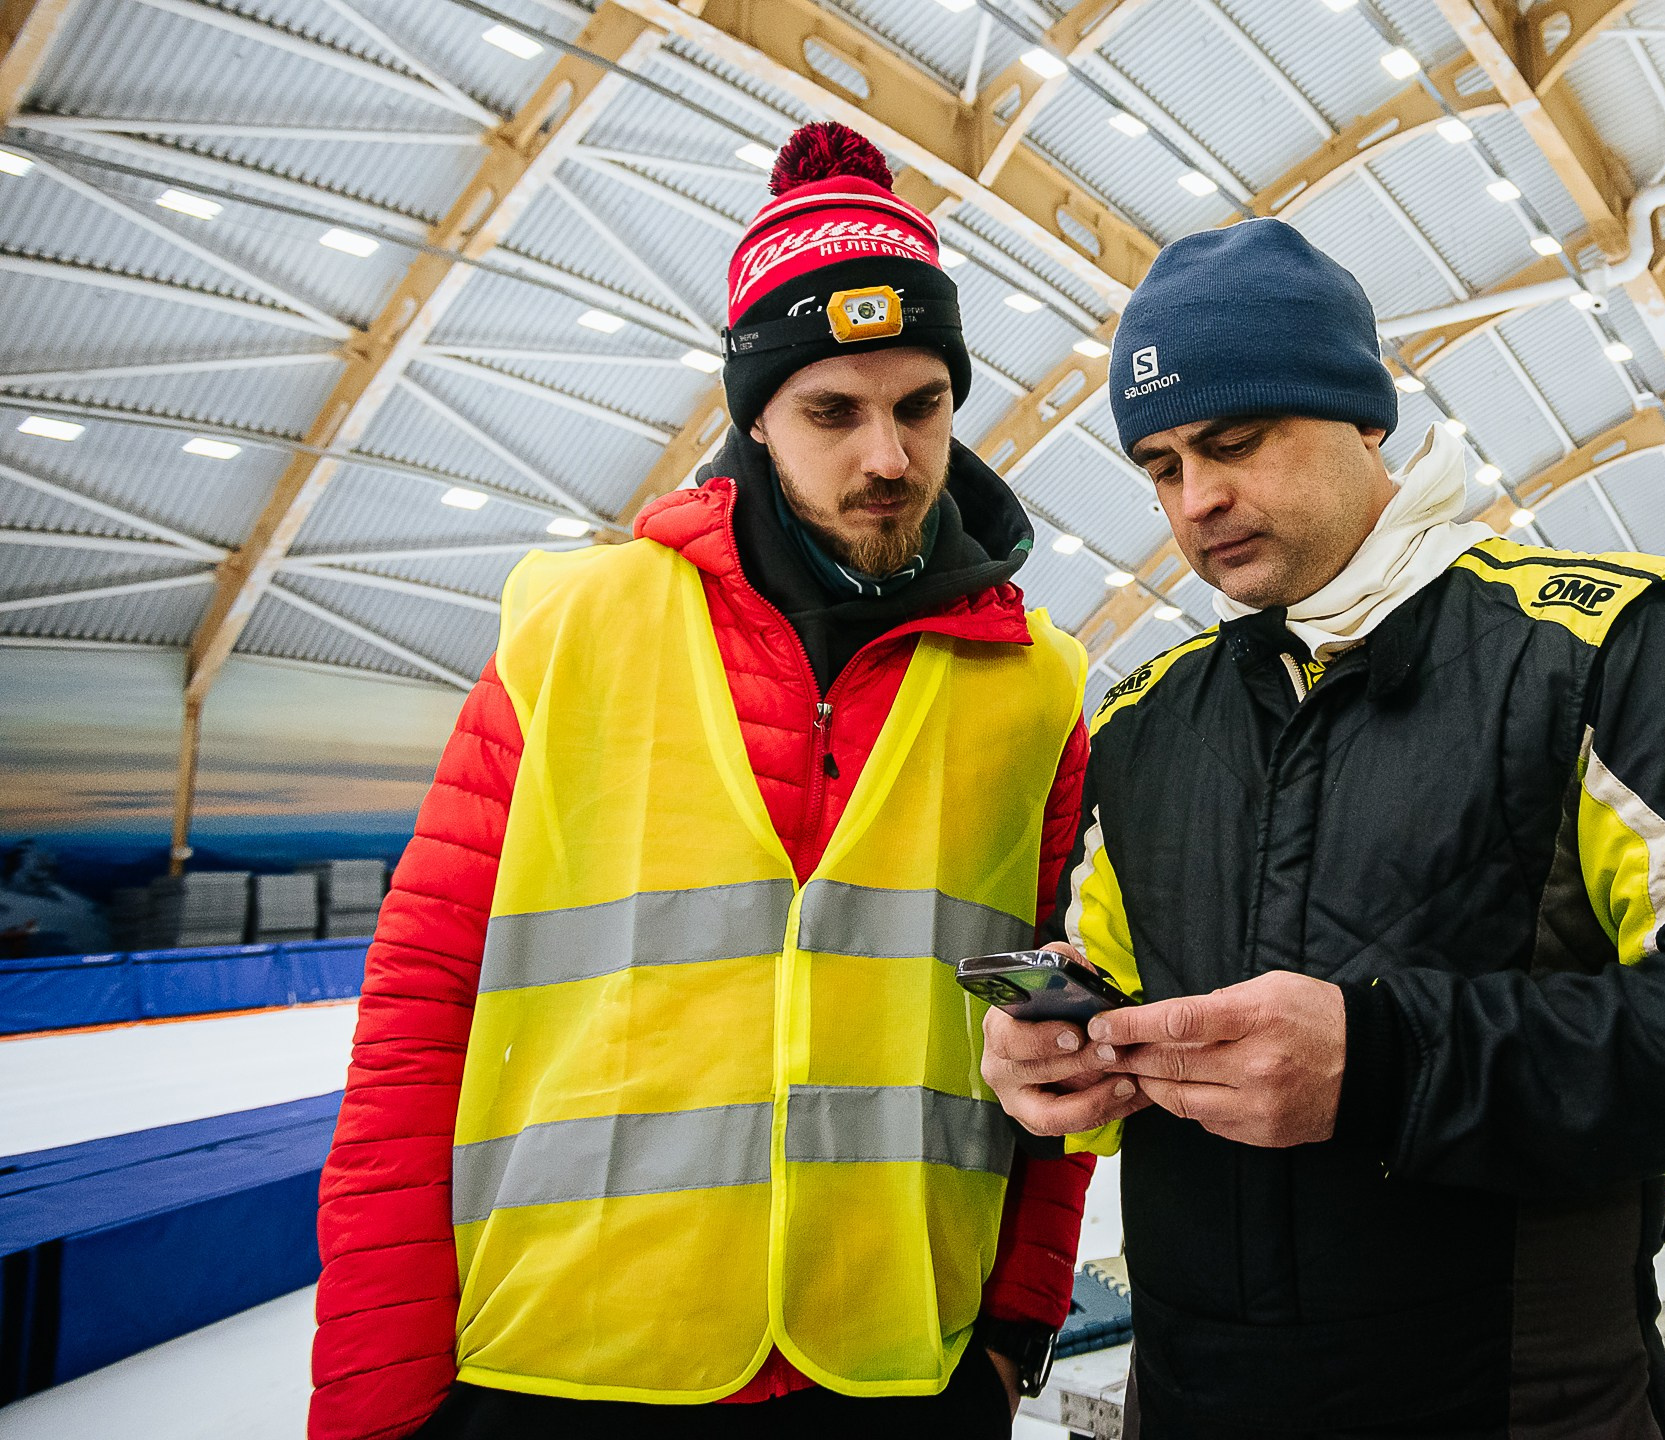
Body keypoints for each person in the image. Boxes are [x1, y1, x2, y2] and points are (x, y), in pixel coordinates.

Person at [980, 219, 1665, 1438]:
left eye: (1233, 441)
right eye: (1160, 465)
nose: (1197, 500)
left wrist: (1396, 1061)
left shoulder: (1594, 650)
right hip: (1194, 1401)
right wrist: (1057, 1048)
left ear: (1361, 418)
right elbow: (1108, 981)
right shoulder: (1147, 716)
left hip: (1512, 1400)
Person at [308, 124, 1094, 1439]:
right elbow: (419, 1013)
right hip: (569, 1365)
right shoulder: (574, 629)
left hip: (893, 1365)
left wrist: (1014, 1331)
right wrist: (378, 1399)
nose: (886, 458)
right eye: (832, 413)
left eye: (920, 406)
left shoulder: (1037, 688)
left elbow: (1057, 1027)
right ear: (756, 419)